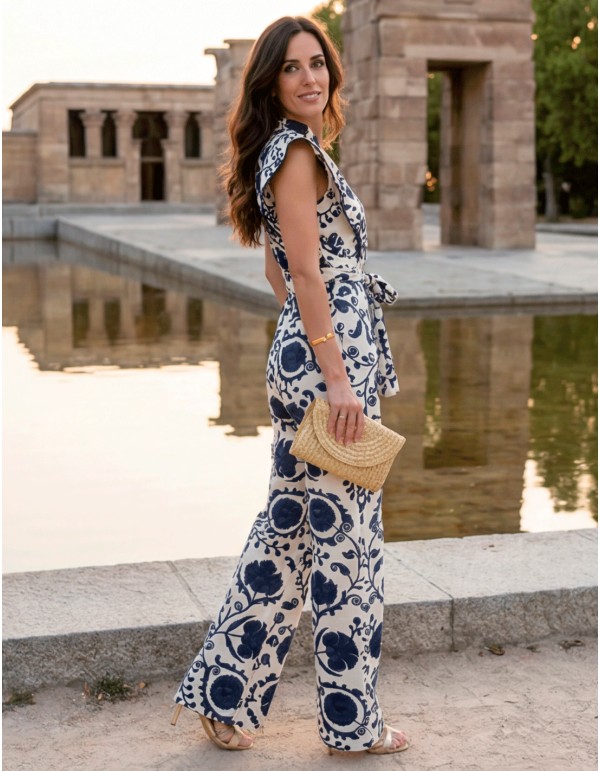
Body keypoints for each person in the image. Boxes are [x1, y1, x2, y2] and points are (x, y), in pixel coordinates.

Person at [170, 15, 409, 756]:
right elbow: (302, 273)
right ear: (272, 81)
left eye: (319, 64)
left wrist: (310, 345)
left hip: (312, 361)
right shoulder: (298, 153)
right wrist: (335, 375)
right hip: (328, 374)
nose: (311, 78)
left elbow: (280, 271)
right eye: (294, 68)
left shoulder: (285, 151)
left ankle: (225, 693)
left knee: (292, 536)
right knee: (347, 550)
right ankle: (351, 725)